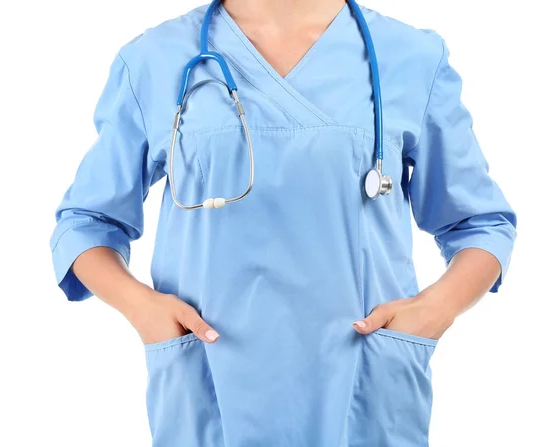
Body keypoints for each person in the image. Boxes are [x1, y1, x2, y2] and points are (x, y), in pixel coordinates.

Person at [49, 0, 517, 445]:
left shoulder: (410, 56)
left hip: (366, 381)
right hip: (208, 379)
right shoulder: (154, 59)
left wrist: (433, 312)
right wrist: (142, 309)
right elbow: (86, 222)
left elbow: (481, 223)